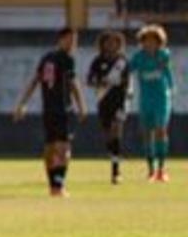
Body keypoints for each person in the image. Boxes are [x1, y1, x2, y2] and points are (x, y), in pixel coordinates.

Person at [12, 27, 85, 196]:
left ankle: (53, 186)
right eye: (70, 40)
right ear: (61, 40)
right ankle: (58, 186)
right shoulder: (67, 59)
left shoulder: (46, 58)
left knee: (50, 148)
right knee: (63, 148)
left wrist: (22, 103)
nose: (73, 44)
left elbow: (34, 81)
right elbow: (73, 83)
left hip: (48, 110)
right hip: (62, 109)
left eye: (75, 41)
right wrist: (81, 105)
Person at [128, 24, 173, 182]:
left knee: (161, 130)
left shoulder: (163, 55)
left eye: (153, 41)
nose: (150, 44)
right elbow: (127, 70)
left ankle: (161, 169)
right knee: (147, 133)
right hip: (145, 99)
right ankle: (150, 170)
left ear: (159, 42)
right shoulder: (138, 57)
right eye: (146, 40)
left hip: (161, 98)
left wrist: (171, 89)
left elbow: (168, 73)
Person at [85, 30, 131, 185]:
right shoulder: (97, 61)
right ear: (103, 44)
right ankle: (114, 154)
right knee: (107, 134)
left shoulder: (123, 62)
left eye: (115, 42)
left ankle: (116, 170)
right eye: (108, 42)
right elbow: (89, 80)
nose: (111, 45)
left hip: (120, 101)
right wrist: (100, 82)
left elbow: (127, 82)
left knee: (116, 128)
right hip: (104, 101)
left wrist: (124, 91)